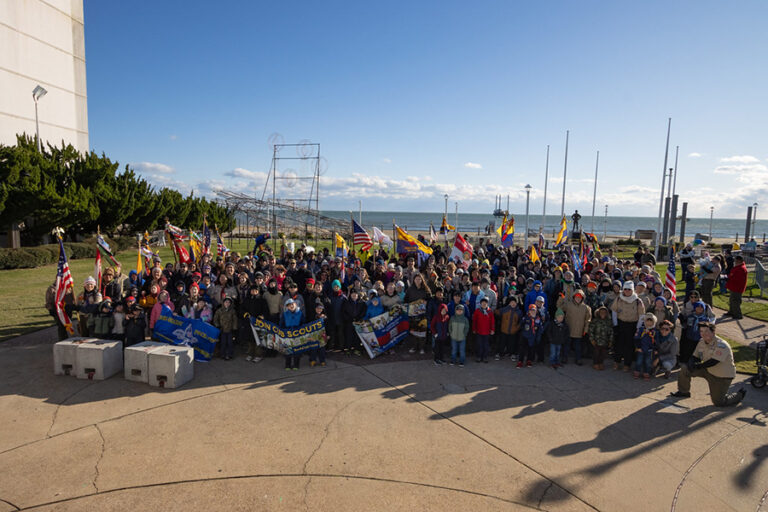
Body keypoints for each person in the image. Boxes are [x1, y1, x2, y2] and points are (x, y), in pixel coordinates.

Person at [670, 322, 746, 406]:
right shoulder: (701, 341)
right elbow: (696, 356)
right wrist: (691, 363)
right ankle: (683, 391)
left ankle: (739, 395)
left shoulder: (722, 345)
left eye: (706, 331)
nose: (703, 334)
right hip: (708, 371)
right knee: (685, 368)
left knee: (719, 402)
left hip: (722, 376)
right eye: (701, 331)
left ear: (713, 332)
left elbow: (713, 361)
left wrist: (698, 366)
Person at [610, 281, 645, 371]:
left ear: (632, 290)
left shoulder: (637, 301)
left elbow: (641, 315)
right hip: (621, 323)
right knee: (618, 344)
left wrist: (638, 328)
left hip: (632, 325)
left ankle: (627, 364)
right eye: (625, 289)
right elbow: (614, 311)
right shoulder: (619, 299)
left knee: (629, 346)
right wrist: (615, 324)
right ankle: (616, 362)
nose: (627, 291)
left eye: (629, 289)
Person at [558, 289, 592, 366]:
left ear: (582, 298)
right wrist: (561, 298)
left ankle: (578, 359)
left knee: (578, 347)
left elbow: (588, 320)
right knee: (566, 345)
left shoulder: (586, 308)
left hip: (579, 330)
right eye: (576, 297)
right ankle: (564, 357)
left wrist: (586, 329)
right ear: (574, 297)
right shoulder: (568, 305)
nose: (578, 298)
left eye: (580, 297)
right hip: (569, 329)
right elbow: (559, 307)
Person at [280, 298, 304, 370]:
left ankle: (296, 365)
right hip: (288, 333)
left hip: (297, 333)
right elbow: (281, 323)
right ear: (286, 307)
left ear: (295, 304)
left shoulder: (300, 313)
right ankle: (287, 365)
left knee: (297, 350)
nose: (291, 306)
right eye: (289, 305)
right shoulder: (285, 314)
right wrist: (283, 331)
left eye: (292, 304)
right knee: (288, 350)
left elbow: (303, 323)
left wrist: (301, 330)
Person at [633, 314, 658, 380]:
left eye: (651, 321)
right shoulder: (641, 329)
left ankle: (646, 373)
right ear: (644, 321)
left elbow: (656, 341)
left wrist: (655, 349)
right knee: (639, 361)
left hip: (649, 350)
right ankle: (637, 371)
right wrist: (638, 347)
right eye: (647, 321)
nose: (649, 323)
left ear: (654, 322)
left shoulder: (655, 331)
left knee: (648, 362)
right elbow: (636, 338)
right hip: (641, 349)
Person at [588, 306, 613, 370]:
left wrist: (610, 341)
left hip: (605, 341)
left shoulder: (608, 321)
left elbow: (611, 332)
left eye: (604, 312)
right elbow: (591, 330)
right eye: (601, 312)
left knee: (603, 353)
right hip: (596, 340)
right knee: (596, 353)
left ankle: (601, 363)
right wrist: (592, 339)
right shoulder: (595, 321)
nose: (603, 313)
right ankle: (595, 363)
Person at [472, 296, 494, 363]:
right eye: (483, 303)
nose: (484, 304)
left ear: (487, 304)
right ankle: (479, 356)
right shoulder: (477, 311)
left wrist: (492, 329)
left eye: (485, 303)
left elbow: (492, 321)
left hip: (487, 332)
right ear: (480, 304)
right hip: (479, 331)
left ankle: (485, 357)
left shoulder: (490, 311)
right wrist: (474, 329)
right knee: (479, 345)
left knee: (486, 345)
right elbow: (474, 321)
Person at [725, 255, 748, 319]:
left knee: (736, 301)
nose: (735, 262)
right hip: (734, 286)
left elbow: (738, 279)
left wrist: (729, 278)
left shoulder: (741, 268)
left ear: (739, 261)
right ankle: (732, 311)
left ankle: (738, 314)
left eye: (735, 260)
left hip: (737, 287)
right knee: (732, 300)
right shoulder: (738, 267)